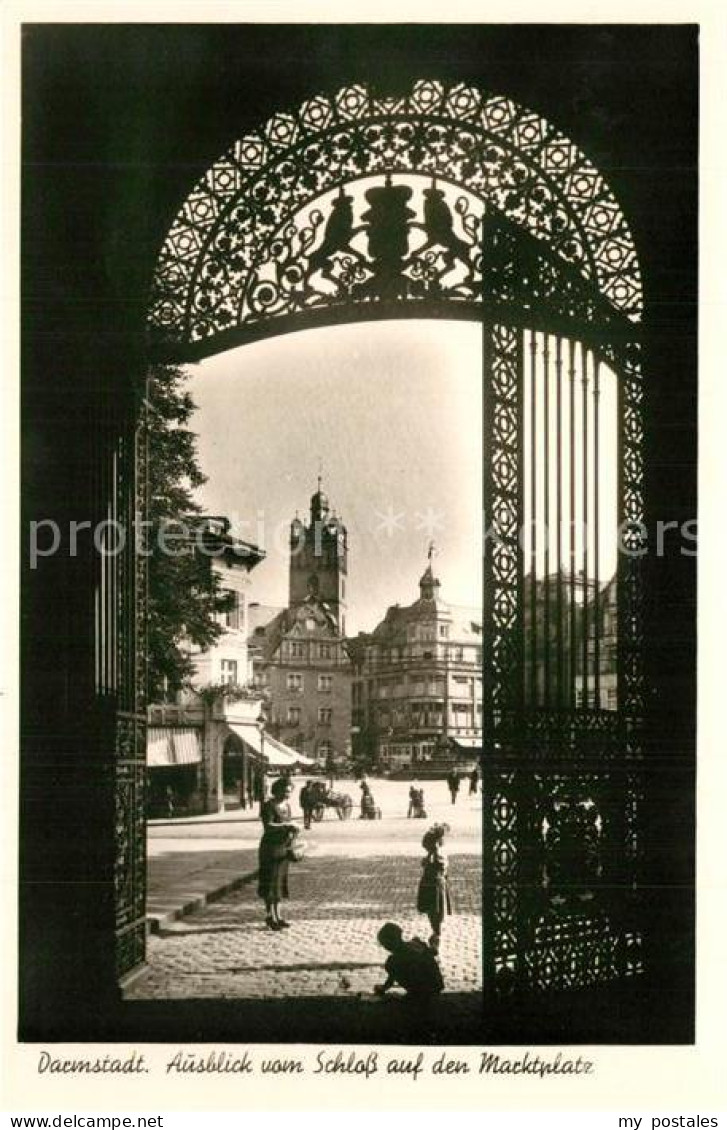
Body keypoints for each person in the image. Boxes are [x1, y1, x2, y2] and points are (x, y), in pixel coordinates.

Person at [257, 776, 298, 930]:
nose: (288, 795)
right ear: (277, 789)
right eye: (286, 791)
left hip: (283, 847)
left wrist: (294, 832)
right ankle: (270, 916)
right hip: (270, 848)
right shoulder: (268, 805)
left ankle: (279, 916)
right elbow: (268, 826)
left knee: (280, 883)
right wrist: (287, 825)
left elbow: (288, 825)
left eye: (290, 792)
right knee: (270, 883)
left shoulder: (286, 806)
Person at [374, 922, 444, 997]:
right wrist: (433, 945)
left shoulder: (393, 960)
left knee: (391, 965)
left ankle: (416, 994)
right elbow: (432, 952)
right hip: (436, 985)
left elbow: (391, 978)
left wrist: (383, 988)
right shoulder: (416, 943)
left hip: (421, 992)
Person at [416, 823, 452, 952]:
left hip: (434, 887)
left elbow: (441, 868)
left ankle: (437, 937)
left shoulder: (437, 855)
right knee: (433, 913)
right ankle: (436, 935)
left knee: (436, 913)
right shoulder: (432, 854)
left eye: (427, 846)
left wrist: (432, 857)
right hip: (431, 886)